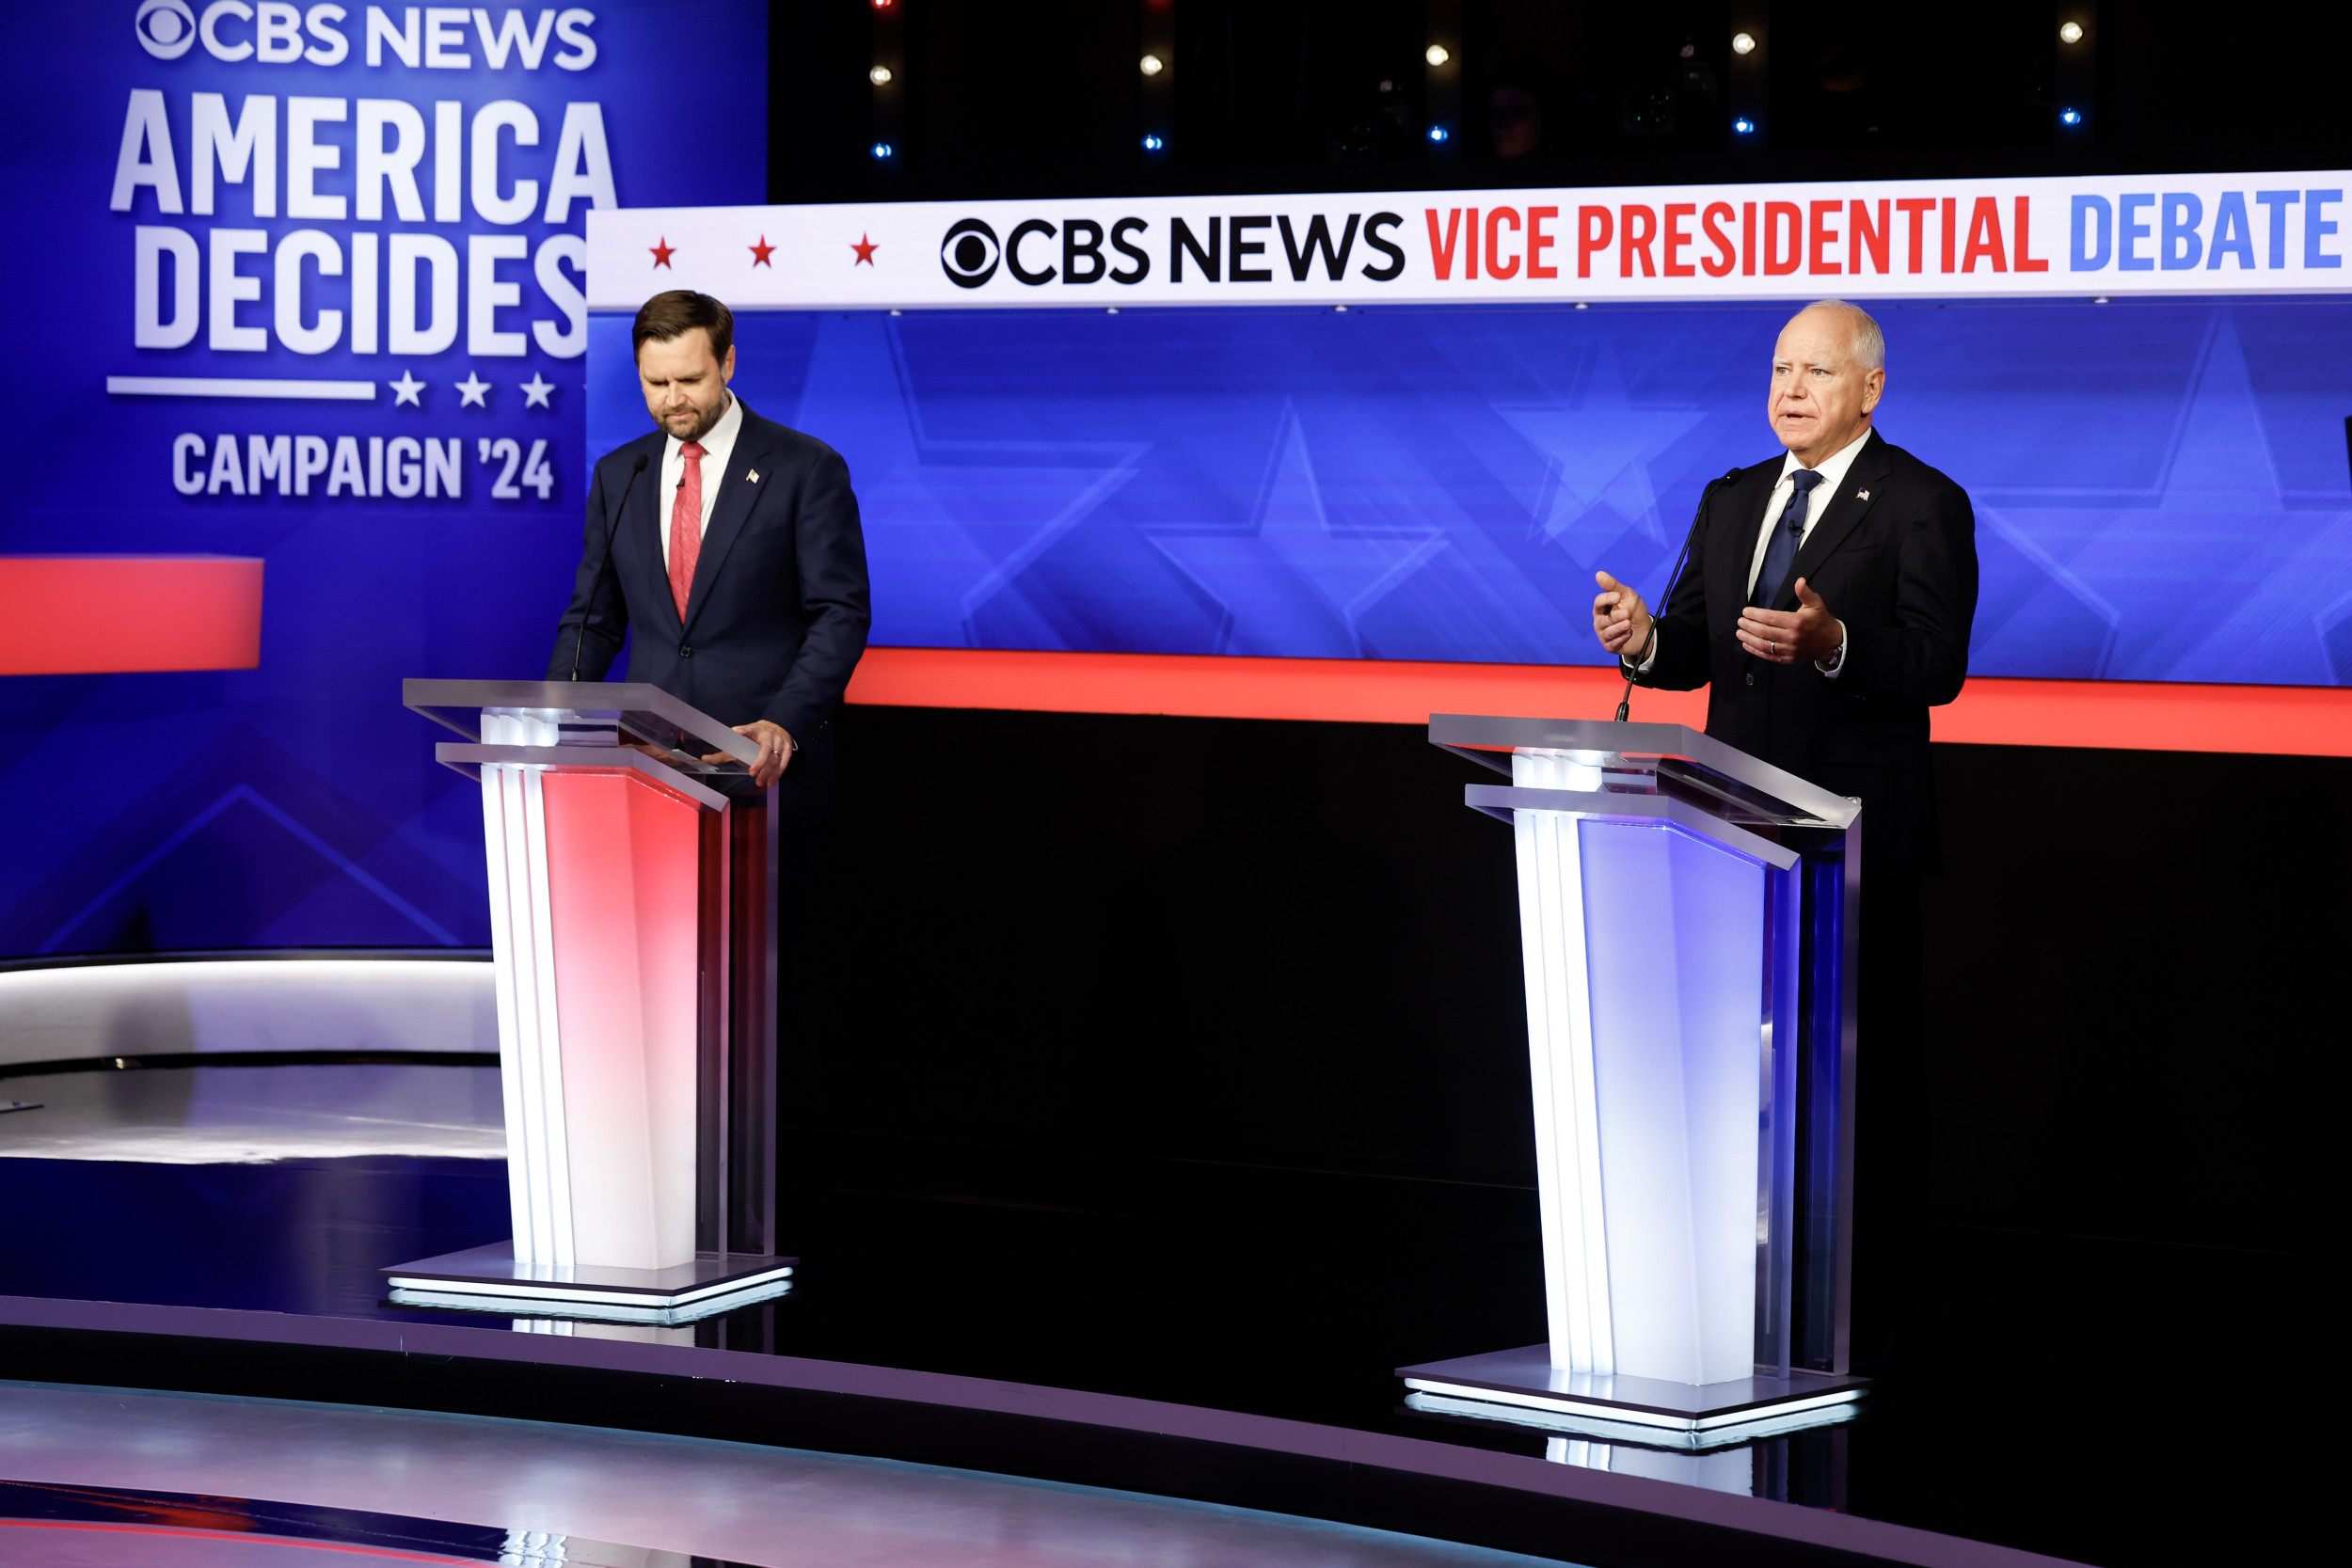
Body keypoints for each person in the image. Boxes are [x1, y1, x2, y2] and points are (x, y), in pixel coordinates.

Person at [1591, 298, 1978, 1367]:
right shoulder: (1732, 497)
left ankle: (1878, 1297)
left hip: (1854, 834)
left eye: (1814, 370)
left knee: (1867, 1073)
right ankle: (1755, 1264)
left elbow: (1936, 667)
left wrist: (1836, 639)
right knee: (1746, 1063)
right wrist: (1642, 640)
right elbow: (1695, 652)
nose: (1789, 389)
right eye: (1777, 369)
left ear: (1870, 388)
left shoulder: (1919, 502)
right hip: (1734, 826)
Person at [549, 290, 870, 819]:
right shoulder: (619, 474)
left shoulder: (805, 468)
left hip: (761, 773)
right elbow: (593, 621)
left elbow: (840, 614)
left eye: (690, 380)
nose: (673, 399)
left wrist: (784, 722)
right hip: (645, 768)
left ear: (727, 362)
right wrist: (554, 716)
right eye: (656, 383)